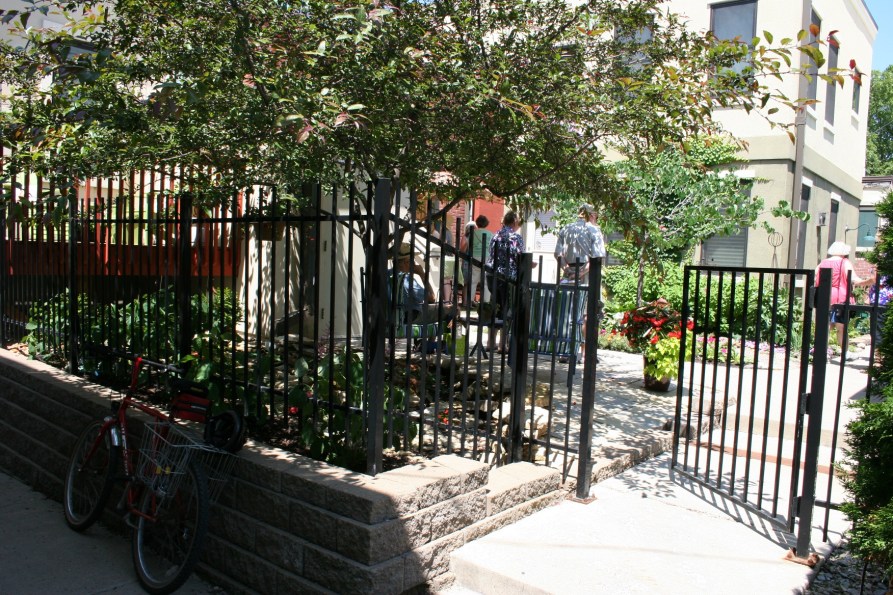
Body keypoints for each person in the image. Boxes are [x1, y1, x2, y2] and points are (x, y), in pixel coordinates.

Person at [554, 204, 606, 363]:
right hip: (587, 275)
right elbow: (596, 257)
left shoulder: (566, 228)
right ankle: (584, 354)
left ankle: (567, 351)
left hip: (569, 273)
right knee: (586, 314)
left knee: (568, 313)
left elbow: (558, 254)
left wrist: (567, 270)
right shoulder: (594, 230)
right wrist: (581, 273)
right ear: (591, 215)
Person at [486, 210, 536, 353]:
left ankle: (490, 342)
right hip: (507, 277)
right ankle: (503, 344)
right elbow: (520, 257)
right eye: (519, 221)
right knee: (507, 309)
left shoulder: (495, 235)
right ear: (514, 221)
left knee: (495, 306)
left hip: (492, 275)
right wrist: (529, 264)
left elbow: (492, 253)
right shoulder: (516, 237)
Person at [815, 241, 875, 347]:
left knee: (825, 326)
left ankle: (821, 352)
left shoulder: (823, 262)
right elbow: (854, 280)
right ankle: (844, 353)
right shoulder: (844, 262)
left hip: (824, 296)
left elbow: (815, 278)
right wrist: (869, 281)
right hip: (840, 298)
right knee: (841, 327)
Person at [460, 215, 493, 307]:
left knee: (473, 280)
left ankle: (469, 301)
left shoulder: (472, 234)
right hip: (487, 257)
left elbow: (466, 245)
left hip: (474, 258)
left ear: (477, 223)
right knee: (486, 281)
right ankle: (485, 302)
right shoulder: (490, 234)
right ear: (486, 224)